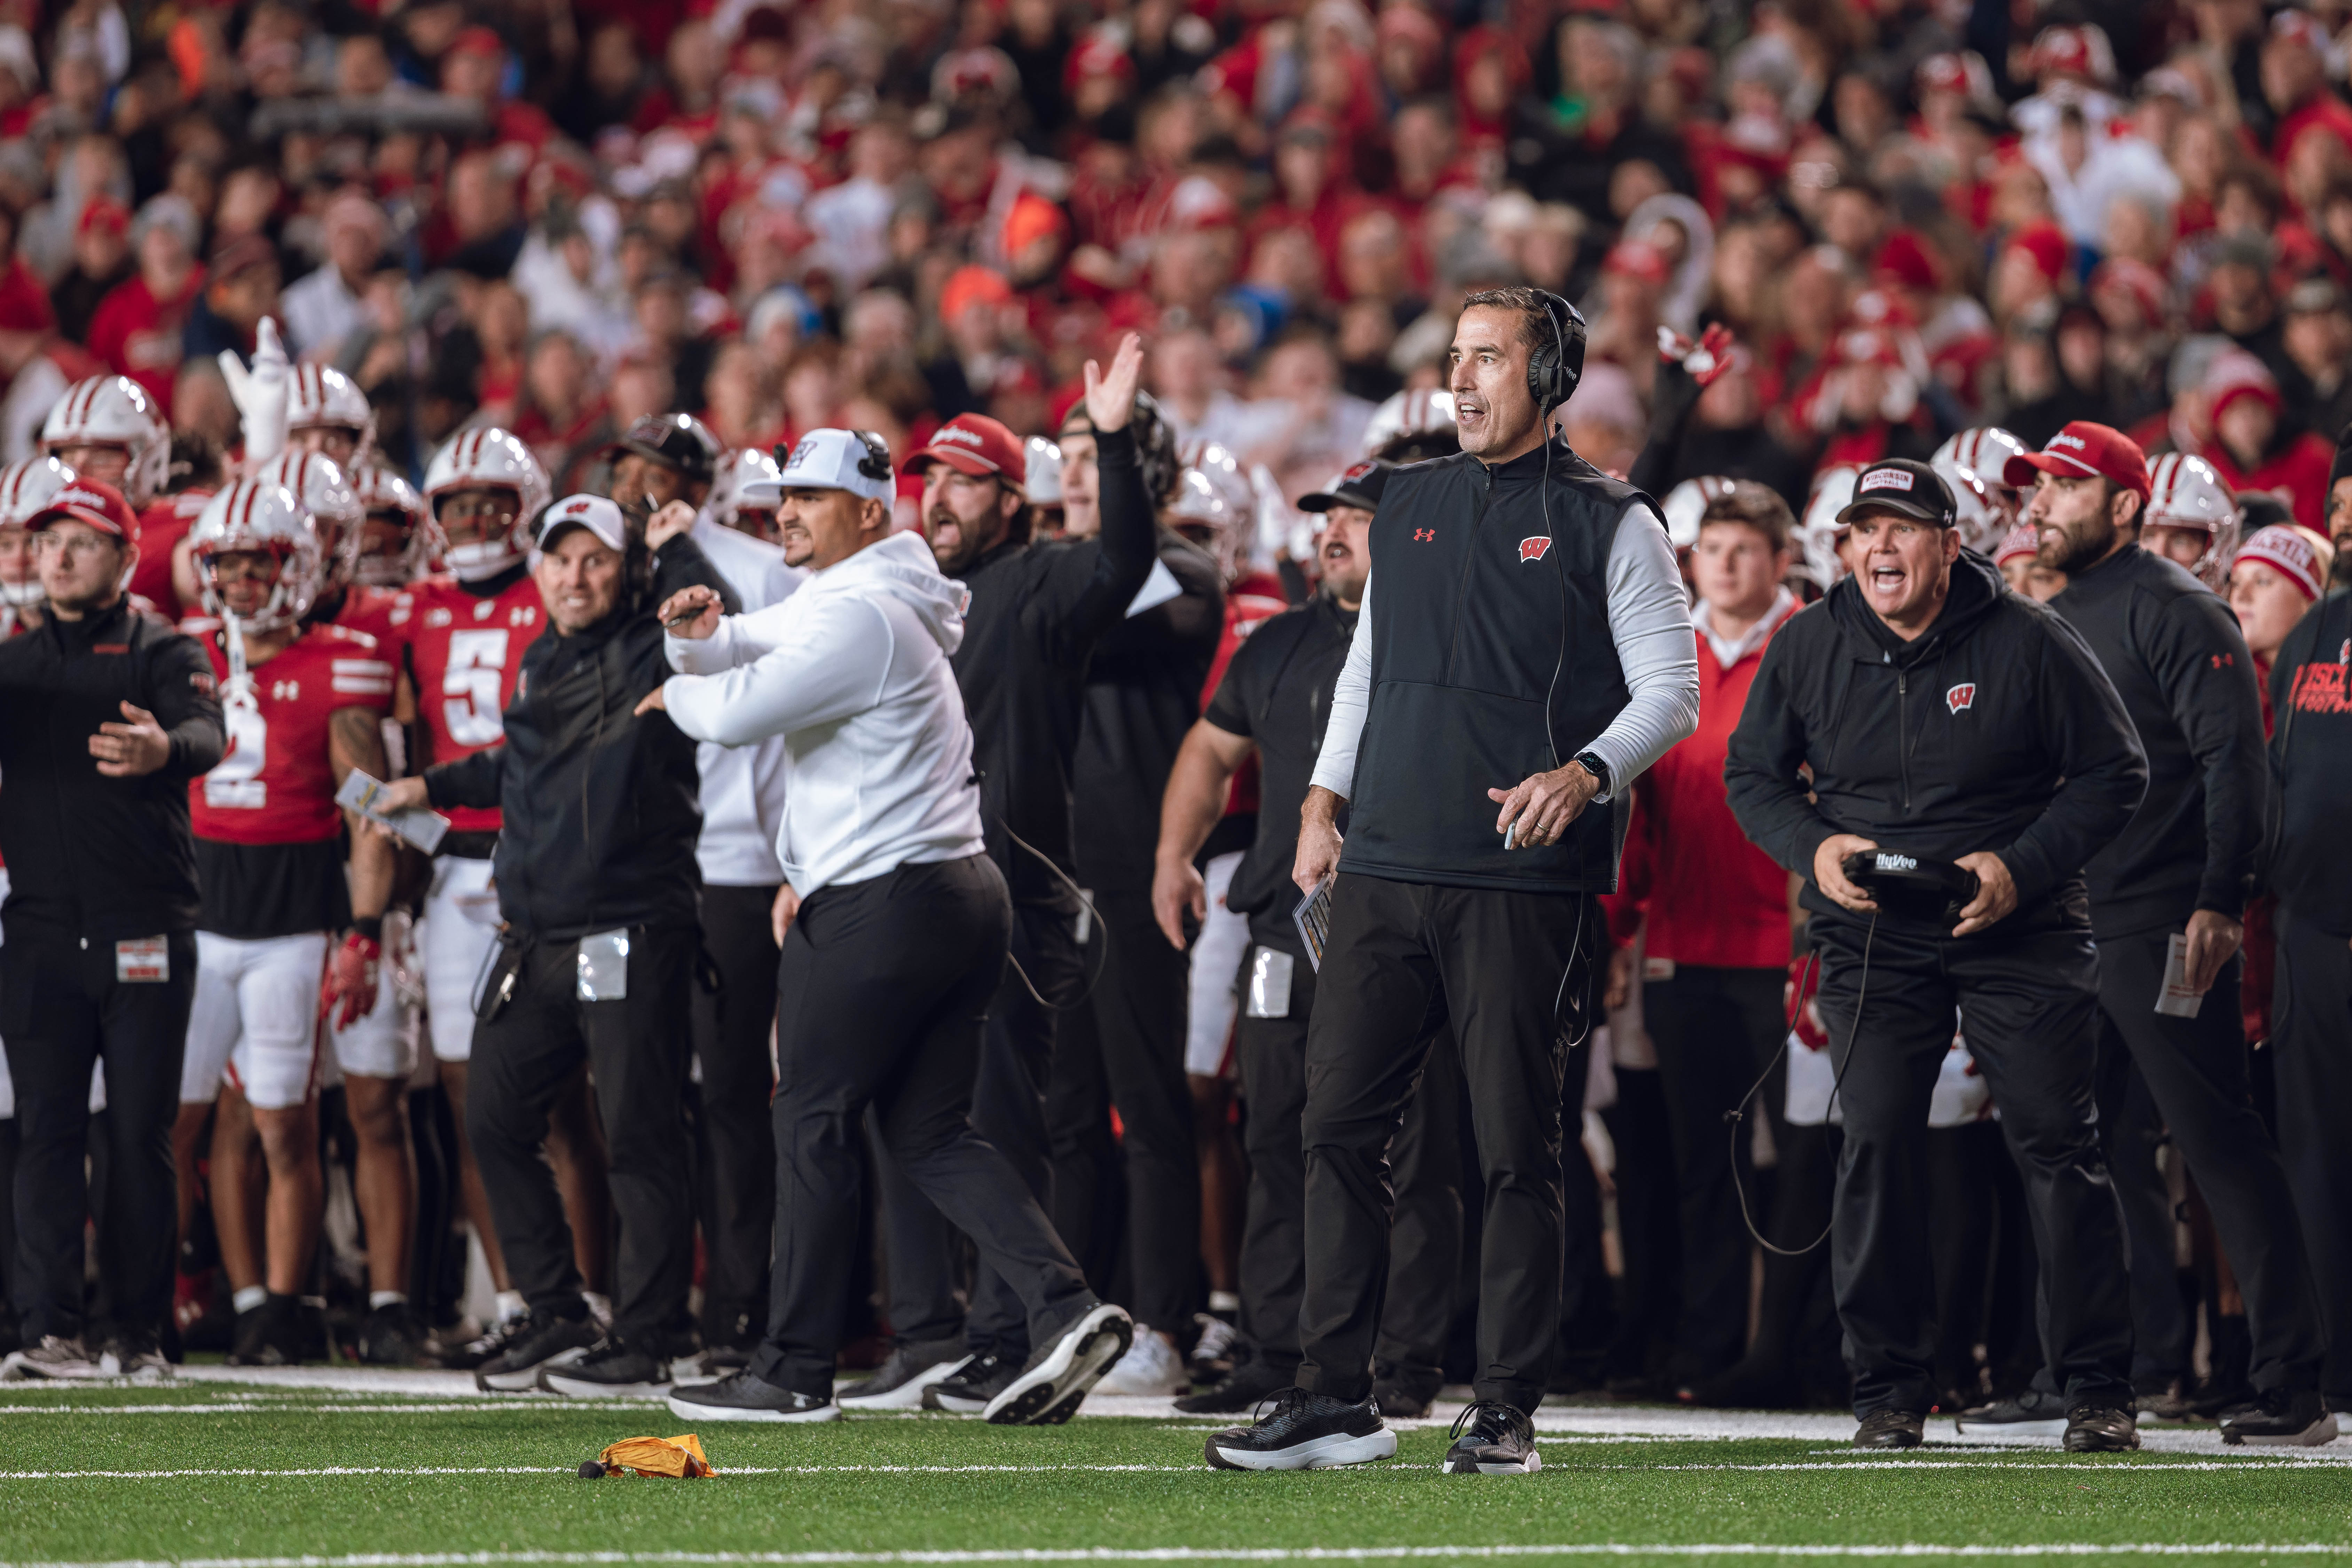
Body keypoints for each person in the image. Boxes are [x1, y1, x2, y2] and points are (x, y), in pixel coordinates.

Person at [1208, 288, 1700, 1474]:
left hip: (1521, 883)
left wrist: (1585, 775)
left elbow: (1670, 689)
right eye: (1455, 357)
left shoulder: (1609, 520)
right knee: (1332, 1124)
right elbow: (1369, 668)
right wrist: (1322, 801)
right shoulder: (1410, 499)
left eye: (1490, 357)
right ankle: (1335, 1394)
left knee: (1507, 1146)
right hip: (1380, 865)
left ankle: (1503, 1406)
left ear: (1552, 376)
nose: (1463, 378)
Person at [646, 419, 1134, 1425]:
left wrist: (678, 689)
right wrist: (694, 640)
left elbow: (738, 710)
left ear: (867, 512)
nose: (786, 512)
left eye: (809, 498)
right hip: (953, 894)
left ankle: (789, 1367)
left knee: (809, 1118)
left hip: (884, 898)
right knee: (929, 1130)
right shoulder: (865, 599)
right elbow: (748, 643)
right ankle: (1061, 1304)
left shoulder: (862, 614)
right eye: (785, 494)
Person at [1724, 454, 2149, 1452]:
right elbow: (1753, 776)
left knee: (2054, 1141)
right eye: (1861, 528)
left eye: (1901, 528)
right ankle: (1885, 1390)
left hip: (2017, 922)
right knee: (1871, 1141)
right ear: (1840, 548)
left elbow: (2114, 771)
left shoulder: (2029, 639)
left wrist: (2018, 865)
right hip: (1872, 929)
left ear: (1950, 545)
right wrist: (1811, 845)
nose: (1878, 545)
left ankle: (2093, 1386)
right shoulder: (1807, 644)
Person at [372, 490, 734, 1397]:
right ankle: (559, 1309)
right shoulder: (540, 658)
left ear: (628, 570)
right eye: (560, 559)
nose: (576, 576)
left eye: (596, 559)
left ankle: (648, 1335)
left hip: (628, 927)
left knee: (640, 1134)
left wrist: (678, 547)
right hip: (536, 932)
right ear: (539, 571)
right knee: (491, 1119)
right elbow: (520, 758)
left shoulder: (659, 646)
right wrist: (431, 784)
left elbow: (715, 619)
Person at [2017, 423, 2333, 1447]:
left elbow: (2233, 764)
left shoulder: (2177, 607)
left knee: (2217, 1145)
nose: (2038, 506)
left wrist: (2215, 900)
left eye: (2063, 490)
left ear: (2123, 504)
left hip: (2163, 921)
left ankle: (2291, 1382)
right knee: (2086, 1150)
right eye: (2035, 490)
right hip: (2073, 925)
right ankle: (2117, 1374)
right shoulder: (2057, 615)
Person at [854, 392, 1156, 1415]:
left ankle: (1012, 1328)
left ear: (1015, 501)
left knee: (993, 1116)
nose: (937, 495)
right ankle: (933, 1331)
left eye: (965, 478)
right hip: (901, 887)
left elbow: (1122, 559)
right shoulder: (898, 596)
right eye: (927, 476)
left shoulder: (1037, 581)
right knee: (900, 1112)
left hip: (1012, 898)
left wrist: (1109, 443)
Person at [1151, 457, 1451, 1416]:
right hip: (1284, 935)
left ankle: (1399, 1361)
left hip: (1406, 932)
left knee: (1409, 1150)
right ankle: (1274, 1351)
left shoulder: (1444, 638)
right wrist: (1173, 855)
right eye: (1327, 517)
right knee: (1275, 1138)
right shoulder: (1276, 643)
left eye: (1357, 520)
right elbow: (1210, 745)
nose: (1331, 533)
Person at [394, 431, 614, 1367]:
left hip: (549, 863)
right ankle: (524, 1297)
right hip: (455, 866)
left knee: (572, 1095)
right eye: (458, 506)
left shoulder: (560, 587)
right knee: (470, 1091)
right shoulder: (413, 609)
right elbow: (402, 748)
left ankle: (595, 1294)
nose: (475, 522)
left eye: (493, 504)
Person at [0, 478, 224, 1380]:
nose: (57, 556)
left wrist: (163, 750)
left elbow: (210, 734)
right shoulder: (13, 661)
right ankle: (47, 1328)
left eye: (82, 542)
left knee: (136, 1134)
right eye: (48, 539)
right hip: (42, 930)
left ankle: (138, 1333)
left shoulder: (162, 648)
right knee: (46, 1132)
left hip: (143, 924)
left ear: (129, 558)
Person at [174, 478, 398, 1367]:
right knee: (174, 1127)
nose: (237, 581)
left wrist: (372, 925)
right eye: (224, 564)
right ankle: (173, 1298)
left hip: (292, 921)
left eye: (255, 562)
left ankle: (277, 1304)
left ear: (293, 567)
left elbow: (372, 811)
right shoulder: (179, 652)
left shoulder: (341, 662)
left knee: (282, 1124)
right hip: (194, 916)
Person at [1607, 479, 1802, 1395]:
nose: (1722, 565)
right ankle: (1706, 1347)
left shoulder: (1811, 649)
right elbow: (1638, 822)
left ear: (1780, 559)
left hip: (1786, 954)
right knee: (1702, 1165)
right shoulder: (1664, 657)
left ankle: (1802, 1354)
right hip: (1681, 948)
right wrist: (1617, 933)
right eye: (1710, 550)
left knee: (1806, 1166)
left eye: (1743, 550)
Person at [1054, 390, 1225, 1397]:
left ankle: (1166, 1316)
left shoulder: (1186, 568)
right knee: (1065, 1107)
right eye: (1069, 456)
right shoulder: (1054, 570)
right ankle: (1072, 1315)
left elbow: (1089, 629)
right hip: (1051, 864)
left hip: (1136, 864)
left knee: (1147, 1099)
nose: (1074, 474)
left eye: (1094, 457)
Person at [2258, 511, 2352, 1428]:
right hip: (2309, 934)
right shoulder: (2308, 638)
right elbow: (2283, 778)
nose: (2347, 521)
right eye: (2339, 507)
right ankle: (2337, 1375)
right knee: (2316, 1162)